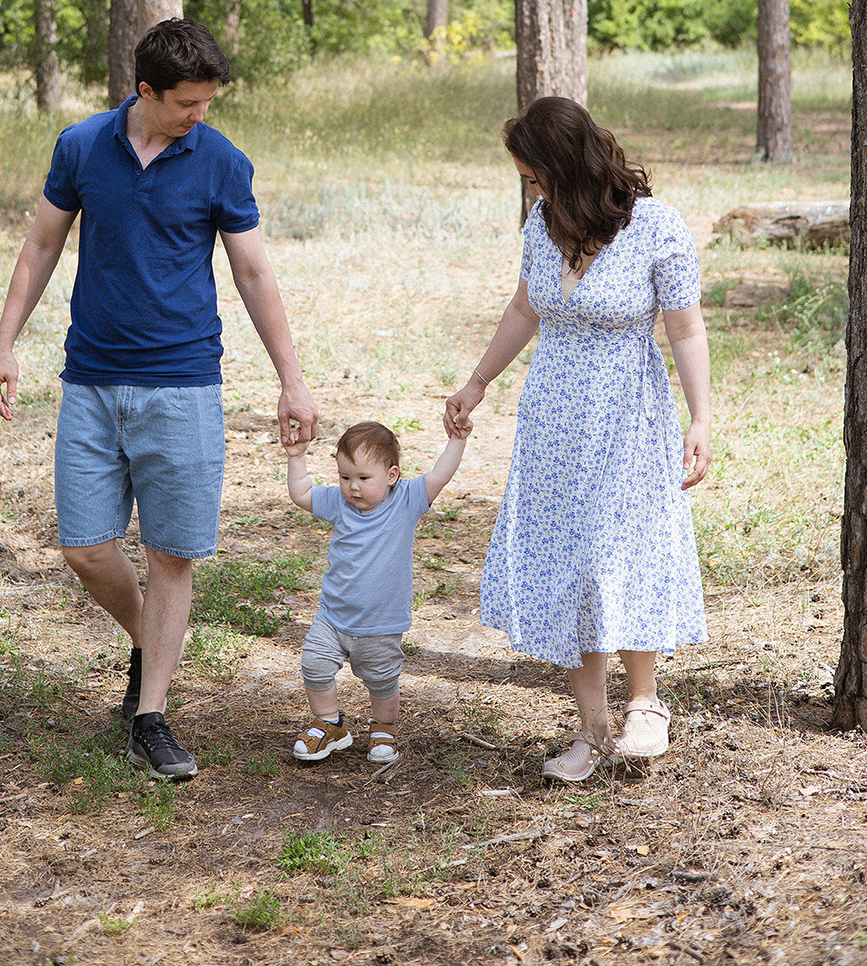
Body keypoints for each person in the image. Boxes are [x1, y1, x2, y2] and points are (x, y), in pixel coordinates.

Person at [0, 17, 318, 783]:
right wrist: (5, 346)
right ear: (144, 91)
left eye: (207, 102)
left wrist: (292, 380)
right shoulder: (81, 147)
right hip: (92, 381)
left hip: (183, 384)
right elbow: (41, 245)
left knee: (172, 555)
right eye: (187, 104)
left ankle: (151, 715)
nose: (199, 115)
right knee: (85, 549)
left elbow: (255, 275)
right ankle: (151, 644)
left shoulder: (221, 161)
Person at [444, 96, 711, 784]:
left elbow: (685, 329)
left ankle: (646, 703)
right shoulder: (543, 222)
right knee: (565, 561)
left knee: (621, 550)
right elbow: (525, 307)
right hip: (552, 426)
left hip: (627, 418)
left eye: (536, 175)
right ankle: (591, 728)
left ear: (567, 165)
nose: (532, 189)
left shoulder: (656, 228)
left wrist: (702, 418)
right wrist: (476, 383)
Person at [284, 419, 467, 767]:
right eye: (345, 477)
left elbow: (439, 476)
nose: (353, 487)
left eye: (364, 478)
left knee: (382, 681)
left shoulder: (407, 501)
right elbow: (302, 494)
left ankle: (384, 727)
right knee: (314, 664)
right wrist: (296, 457)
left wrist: (457, 441)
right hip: (333, 616)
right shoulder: (339, 503)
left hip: (381, 624)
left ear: (392, 475)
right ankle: (329, 723)